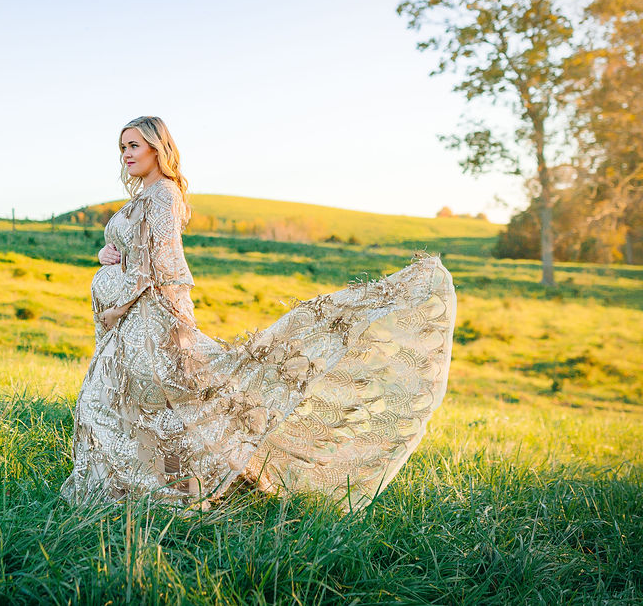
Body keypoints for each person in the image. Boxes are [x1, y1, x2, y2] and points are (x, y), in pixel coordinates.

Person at [60, 115, 457, 513]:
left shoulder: (163, 194)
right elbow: (132, 251)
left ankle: (175, 491)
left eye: (134, 146)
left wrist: (117, 306)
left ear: (157, 148)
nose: (127, 154)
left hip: (147, 319)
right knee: (126, 403)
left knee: (161, 403)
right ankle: (133, 490)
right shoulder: (144, 197)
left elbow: (160, 266)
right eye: (123, 147)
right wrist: (105, 256)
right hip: (131, 322)